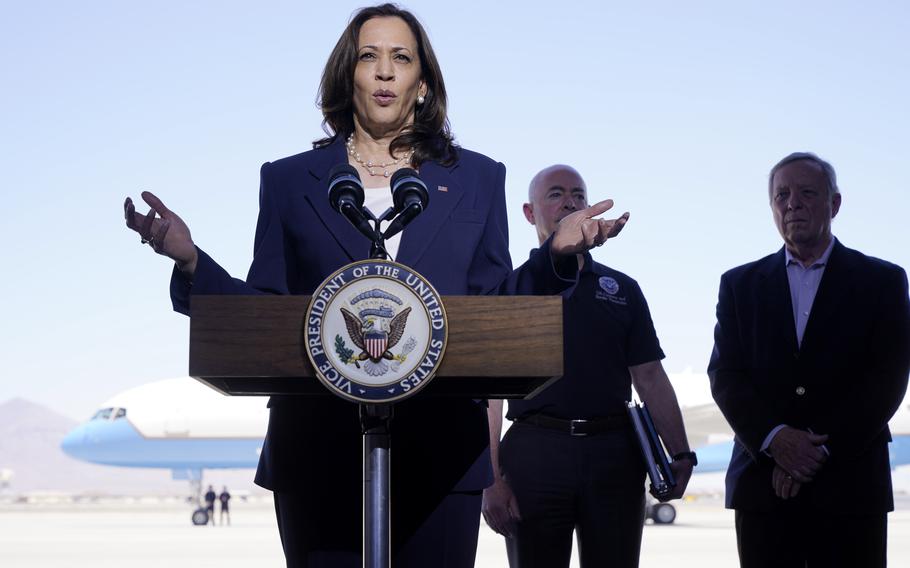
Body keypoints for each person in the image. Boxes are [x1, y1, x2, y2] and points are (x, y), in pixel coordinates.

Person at [123, 5, 628, 567]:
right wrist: (193, 262)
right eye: (370, 56)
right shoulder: (289, 181)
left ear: (422, 82)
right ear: (349, 75)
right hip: (316, 450)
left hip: (442, 455)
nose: (385, 71)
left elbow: (495, 311)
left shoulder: (479, 178)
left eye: (401, 58)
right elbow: (267, 311)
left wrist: (553, 258)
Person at [482, 165, 694, 568]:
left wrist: (681, 454)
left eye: (578, 194)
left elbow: (649, 377)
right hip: (536, 455)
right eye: (556, 194)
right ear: (530, 213)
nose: (571, 202)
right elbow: (490, 395)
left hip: (614, 455)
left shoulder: (623, 290)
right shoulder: (511, 290)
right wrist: (491, 480)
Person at [708, 152, 910, 568]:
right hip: (763, 488)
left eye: (806, 193)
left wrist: (811, 452)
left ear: (834, 204)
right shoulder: (739, 285)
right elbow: (726, 375)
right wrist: (776, 440)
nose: (792, 204)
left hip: (850, 486)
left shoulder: (884, 282)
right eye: (781, 195)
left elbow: (886, 378)